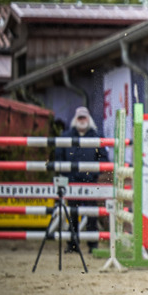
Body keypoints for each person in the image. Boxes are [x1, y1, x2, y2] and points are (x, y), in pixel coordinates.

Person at [55, 106, 107, 251]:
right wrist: (67, 176)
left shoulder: (97, 137)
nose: (82, 120)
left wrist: (94, 174)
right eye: (80, 117)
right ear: (75, 120)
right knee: (72, 213)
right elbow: (58, 158)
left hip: (90, 182)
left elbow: (104, 159)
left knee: (92, 214)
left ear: (88, 119)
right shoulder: (65, 137)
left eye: (84, 117)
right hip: (72, 181)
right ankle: (72, 244)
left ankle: (93, 245)